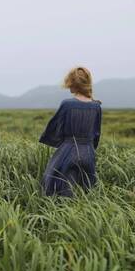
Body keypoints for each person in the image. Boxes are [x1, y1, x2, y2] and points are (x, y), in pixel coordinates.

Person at [38, 66, 102, 197]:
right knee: (85, 191)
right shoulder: (96, 106)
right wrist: (90, 150)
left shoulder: (67, 104)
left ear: (72, 83)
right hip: (88, 152)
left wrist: (60, 143)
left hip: (68, 150)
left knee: (54, 186)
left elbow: (54, 127)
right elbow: (96, 134)